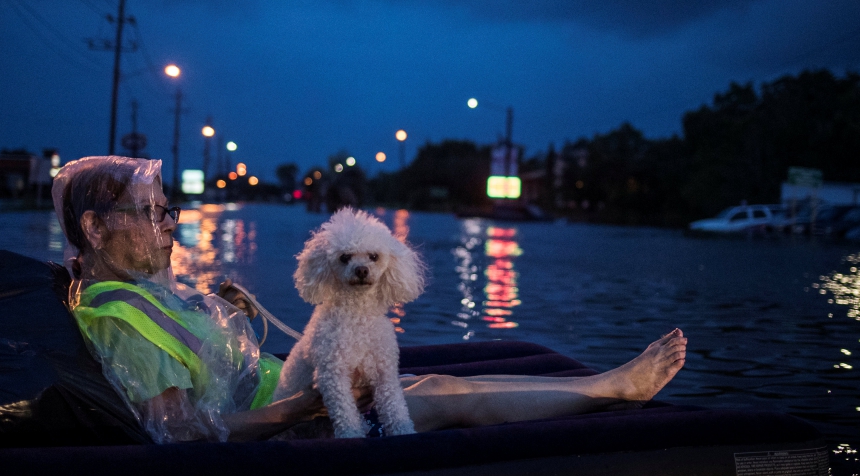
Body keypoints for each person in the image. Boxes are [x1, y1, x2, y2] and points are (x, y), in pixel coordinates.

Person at [53, 156, 688, 443]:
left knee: (432, 375)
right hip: (282, 429)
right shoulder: (117, 318)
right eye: (153, 213)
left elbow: (205, 372)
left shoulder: (138, 293)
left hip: (280, 393)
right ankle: (614, 390)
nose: (171, 224)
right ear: (96, 228)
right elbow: (184, 435)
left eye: (169, 210)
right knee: (431, 393)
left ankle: (604, 386)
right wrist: (301, 407)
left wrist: (227, 313)